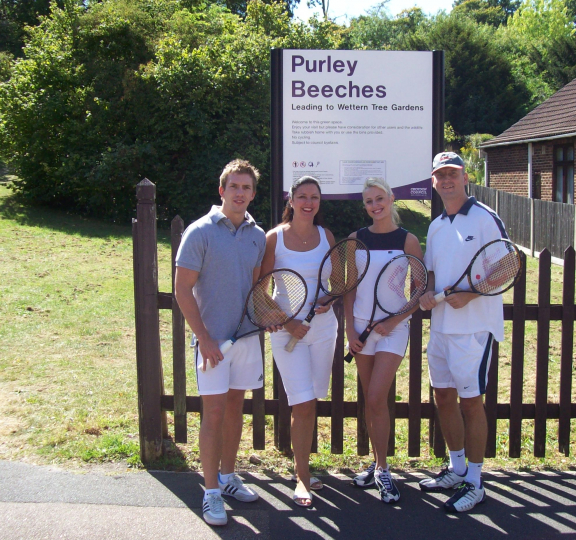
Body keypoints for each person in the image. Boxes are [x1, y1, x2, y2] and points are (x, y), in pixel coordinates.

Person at [174, 159, 265, 526]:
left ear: (252, 194)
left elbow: (256, 290)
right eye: (234, 187)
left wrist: (266, 317)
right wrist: (204, 338)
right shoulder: (199, 232)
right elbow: (182, 290)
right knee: (212, 415)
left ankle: (228, 477)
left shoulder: (257, 236)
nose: (240, 193)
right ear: (221, 190)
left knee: (234, 410)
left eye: (246, 188)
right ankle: (210, 492)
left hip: (245, 341)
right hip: (211, 344)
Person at [418, 152, 509, 513]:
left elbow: (508, 266)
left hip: (473, 330)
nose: (446, 180)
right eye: (440, 175)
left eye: (452, 173)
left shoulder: (486, 218)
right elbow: (435, 275)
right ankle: (456, 469)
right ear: (434, 182)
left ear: (465, 176)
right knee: (443, 398)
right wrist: (428, 293)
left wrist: (473, 292)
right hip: (441, 328)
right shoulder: (436, 225)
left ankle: (475, 480)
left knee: (471, 402)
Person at [261, 176, 338, 507]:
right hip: (287, 333)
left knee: (313, 400)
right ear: (291, 200)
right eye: (302, 196)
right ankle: (302, 478)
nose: (309, 202)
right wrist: (286, 321)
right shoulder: (273, 240)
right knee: (302, 402)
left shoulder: (326, 236)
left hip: (323, 331)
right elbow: (259, 291)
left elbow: (336, 284)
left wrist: (331, 299)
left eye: (315, 197)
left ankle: (303, 468)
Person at [345, 177, 423, 504]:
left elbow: (418, 290)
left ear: (391, 199)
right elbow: (349, 288)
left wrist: (393, 320)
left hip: (394, 329)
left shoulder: (408, 241)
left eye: (379, 199)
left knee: (377, 394)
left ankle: (382, 469)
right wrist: (350, 330)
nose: (375, 205)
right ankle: (378, 464)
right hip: (361, 329)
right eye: (368, 201)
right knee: (371, 398)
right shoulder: (354, 239)